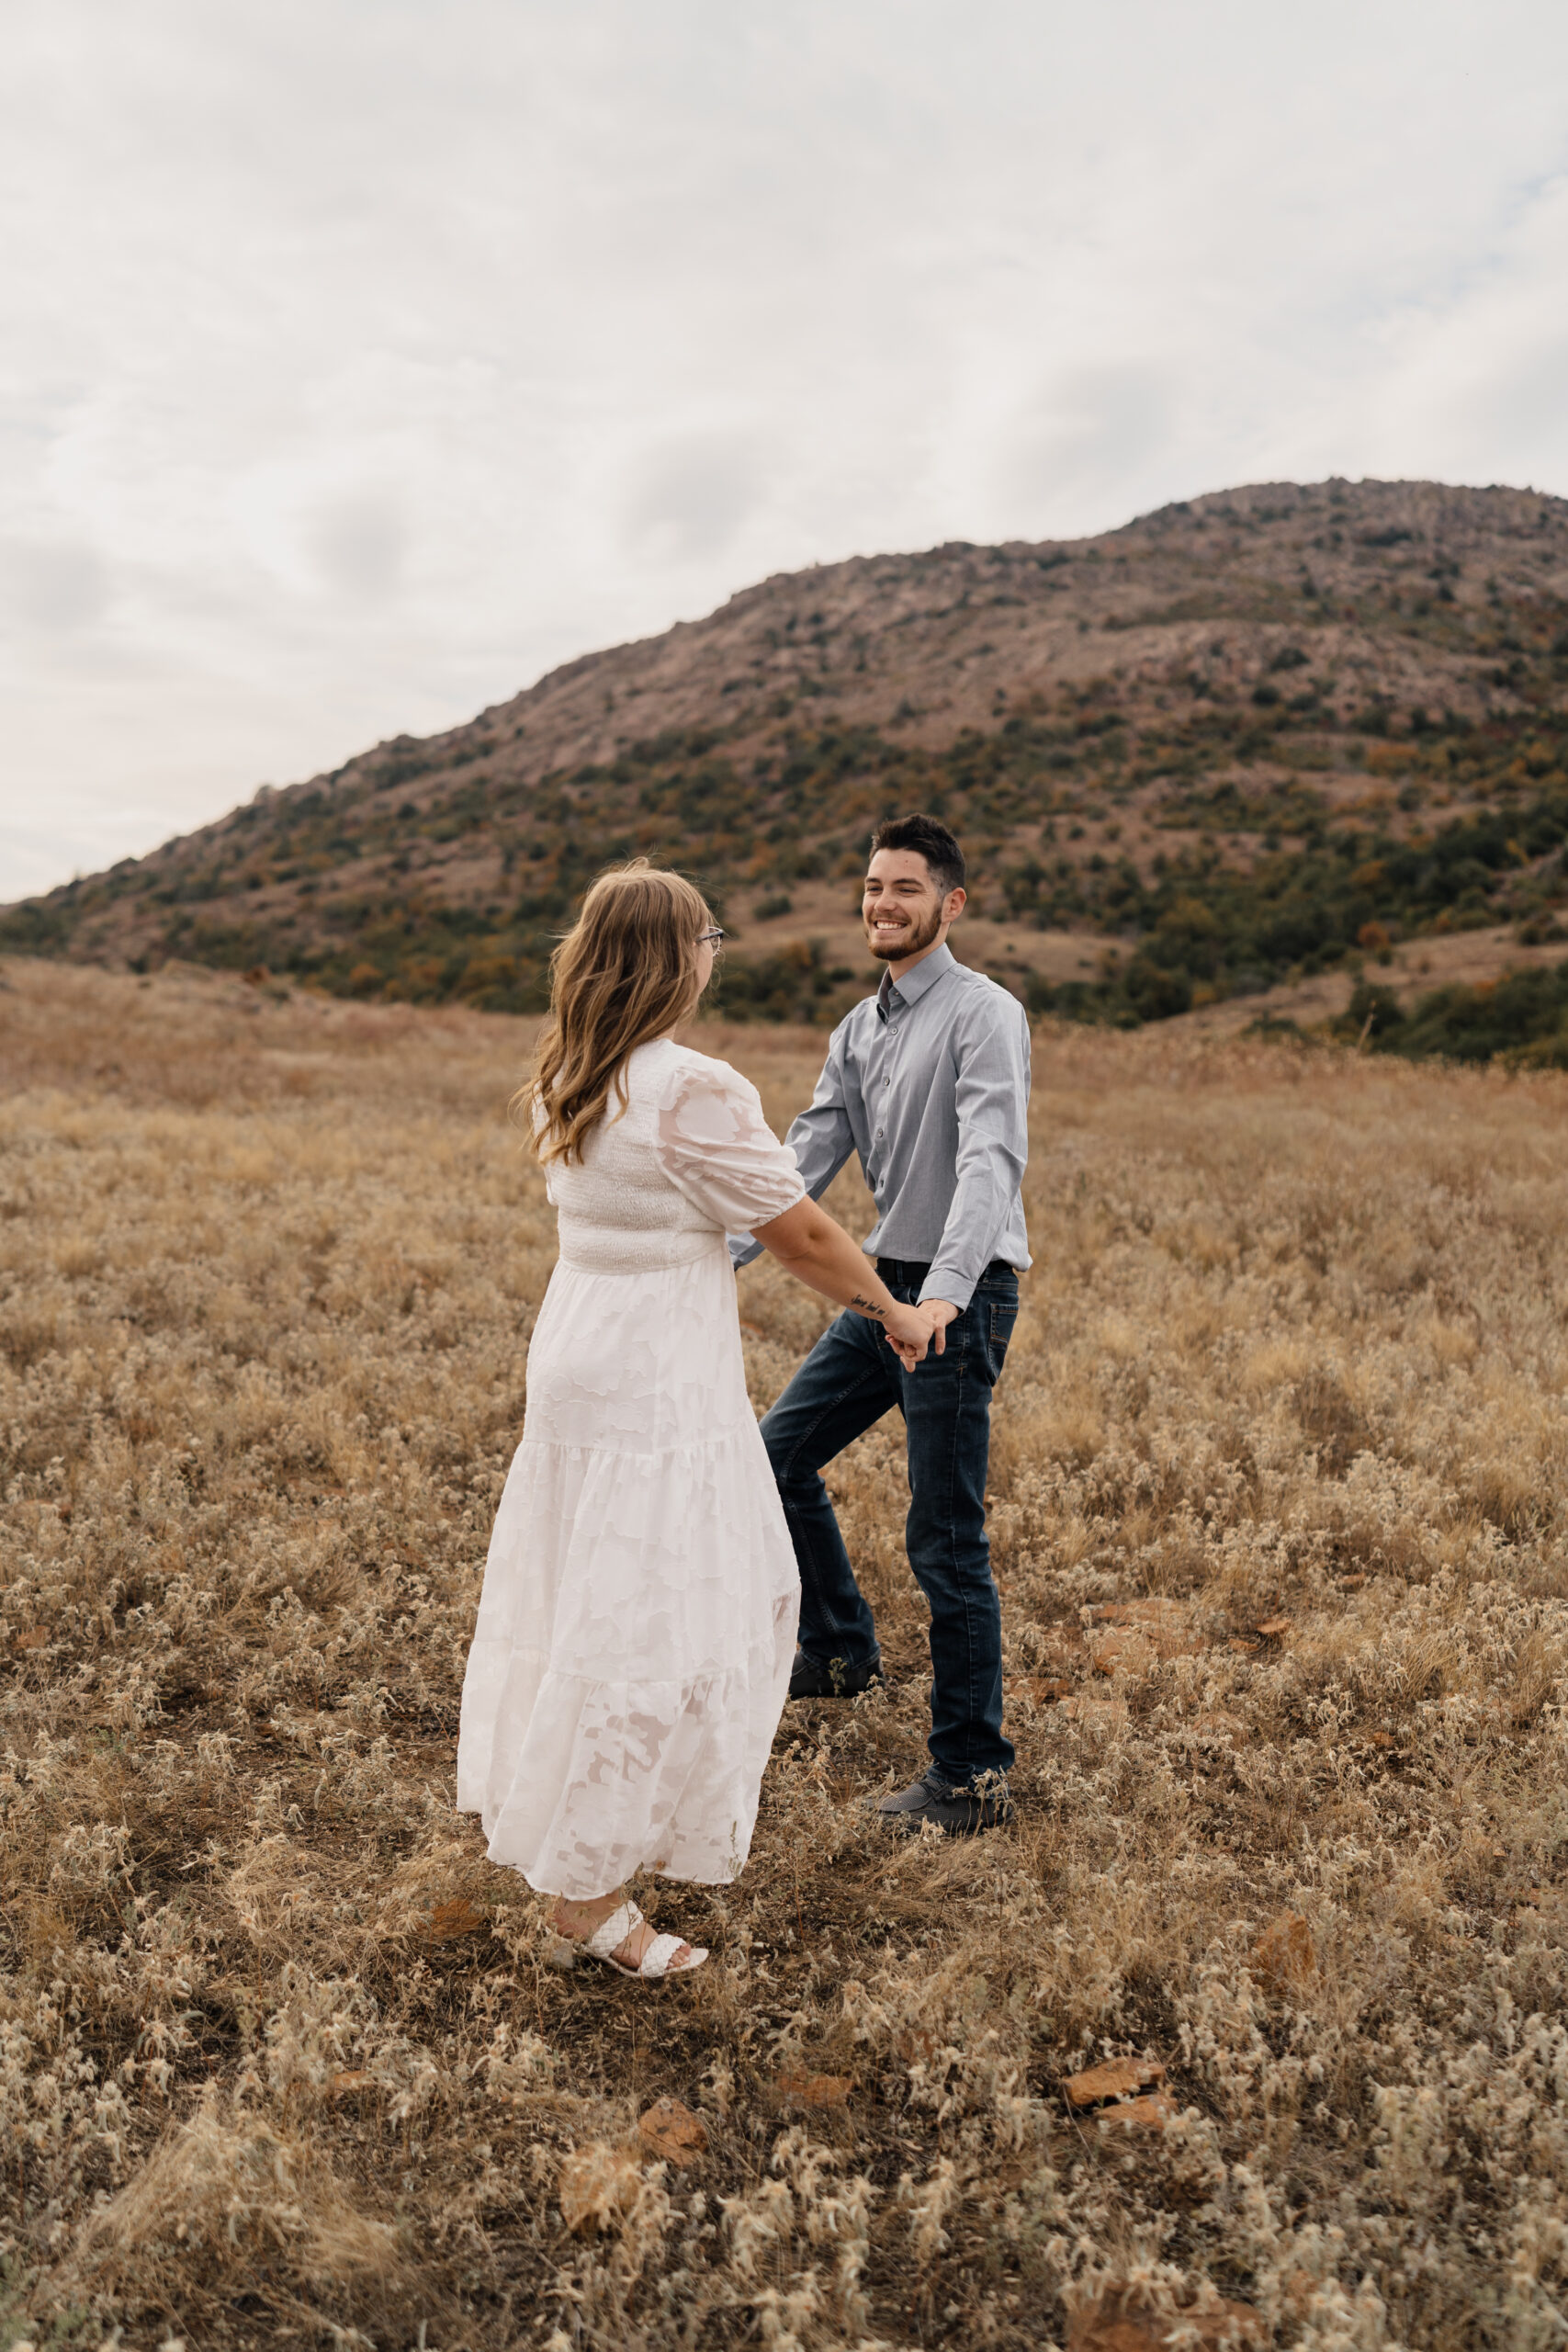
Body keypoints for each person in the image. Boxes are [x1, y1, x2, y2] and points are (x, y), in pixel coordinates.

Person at [456, 861, 934, 1980]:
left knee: (594, 1601)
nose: (717, 950)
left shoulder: (571, 1070)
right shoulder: (691, 1087)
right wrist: (892, 1311)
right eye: (708, 934)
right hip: (655, 1382)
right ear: (680, 955)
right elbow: (800, 1232)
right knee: (650, 1616)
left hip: (577, 1355)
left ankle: (584, 1849)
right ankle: (590, 1894)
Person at [732, 813, 1031, 1838]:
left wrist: (942, 1294)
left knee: (944, 1536)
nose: (882, 905)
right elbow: (799, 1161)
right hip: (880, 1283)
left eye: (905, 889)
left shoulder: (985, 1013)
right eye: (871, 887)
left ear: (951, 904)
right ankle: (844, 1648)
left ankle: (971, 1774)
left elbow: (992, 1159)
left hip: (961, 1290)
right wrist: (713, 1249)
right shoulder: (859, 1032)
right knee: (774, 1456)